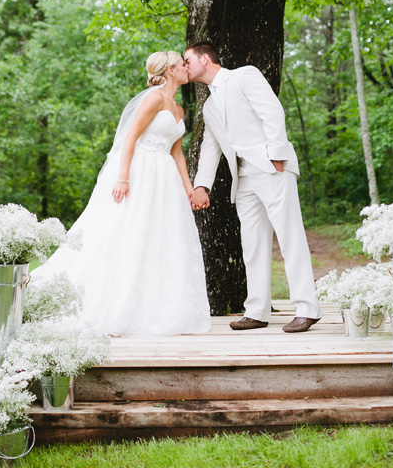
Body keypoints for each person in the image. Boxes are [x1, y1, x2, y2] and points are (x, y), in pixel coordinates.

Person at [32, 51, 211, 336]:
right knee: (128, 231)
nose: (186, 68)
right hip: (141, 172)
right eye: (181, 64)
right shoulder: (153, 99)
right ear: (169, 71)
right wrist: (123, 178)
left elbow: (177, 152)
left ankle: (154, 308)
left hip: (164, 179)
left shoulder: (178, 108)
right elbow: (130, 138)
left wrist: (189, 190)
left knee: (159, 238)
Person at [185, 42, 322, 333]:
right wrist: (202, 186)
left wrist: (277, 156)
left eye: (187, 60)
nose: (185, 67)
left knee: (290, 238)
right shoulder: (208, 106)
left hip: (271, 167)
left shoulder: (244, 75)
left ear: (205, 58)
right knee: (252, 244)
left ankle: (307, 309)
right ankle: (257, 311)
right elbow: (211, 147)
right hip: (243, 179)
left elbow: (272, 112)